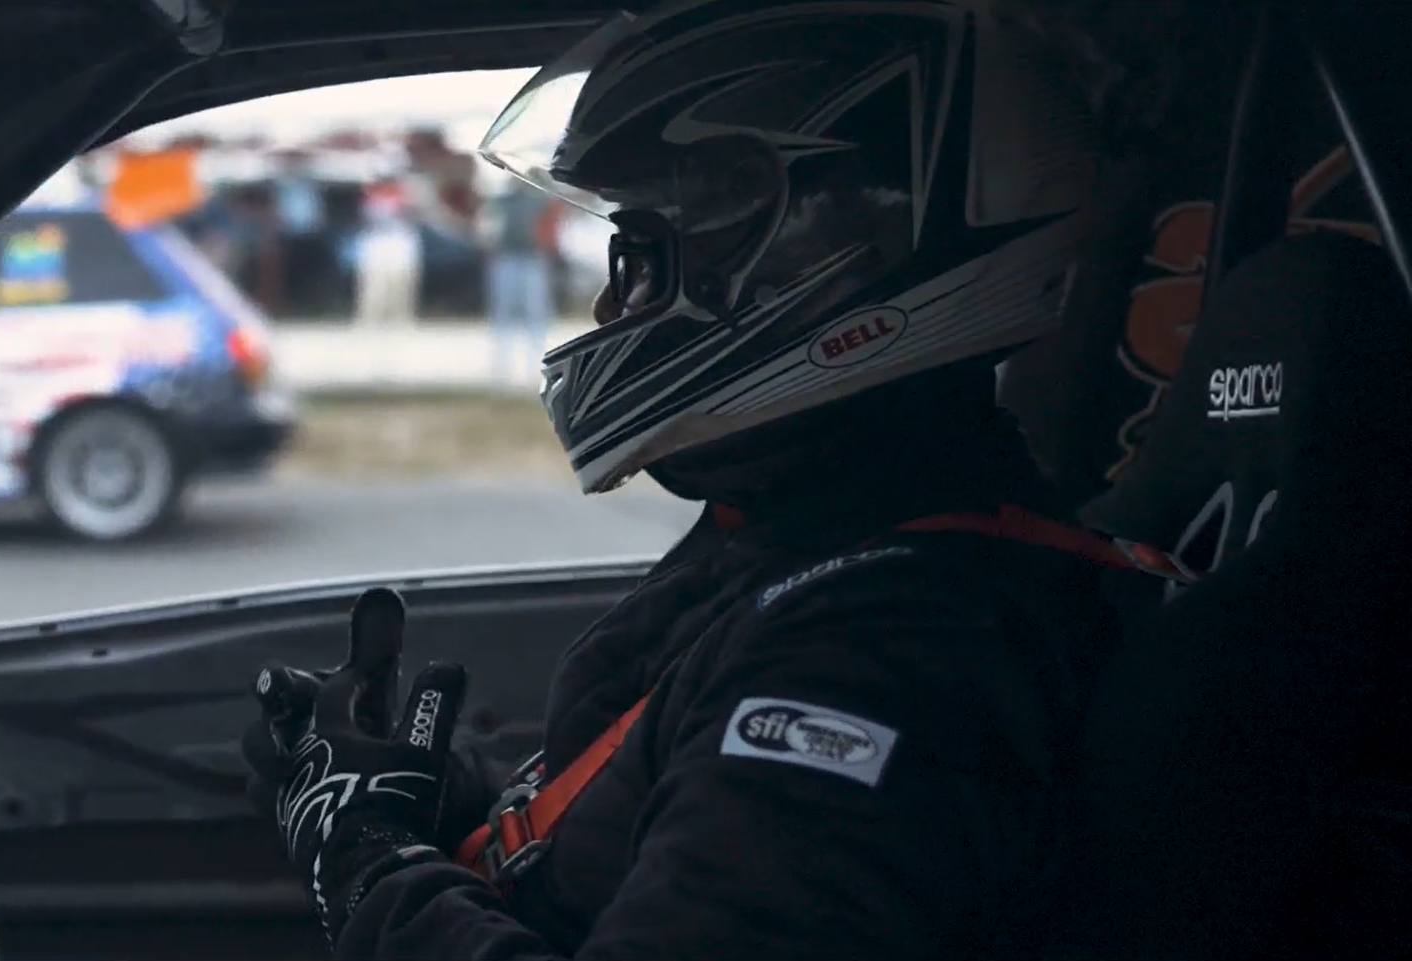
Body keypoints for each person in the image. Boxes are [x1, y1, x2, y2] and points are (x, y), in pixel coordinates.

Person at [240, 3, 1166, 958]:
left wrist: (372, 867)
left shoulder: (891, 654)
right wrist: (427, 793)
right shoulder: (814, 533)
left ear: (819, 259)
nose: (611, 306)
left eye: (644, 259)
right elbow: (651, 804)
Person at [480, 177, 557, 387]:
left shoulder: (539, 201)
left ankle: (537, 363)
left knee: (535, 311)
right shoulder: (500, 201)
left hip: (532, 259)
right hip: (507, 258)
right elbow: (488, 227)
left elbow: (550, 227)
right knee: (503, 312)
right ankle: (501, 365)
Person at [353, 177, 423, 328]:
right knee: (374, 285)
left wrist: (406, 205)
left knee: (400, 283)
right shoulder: (370, 198)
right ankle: (369, 319)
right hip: (376, 246)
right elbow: (366, 219)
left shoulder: (407, 196)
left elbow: (416, 215)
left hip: (400, 244)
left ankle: (401, 318)